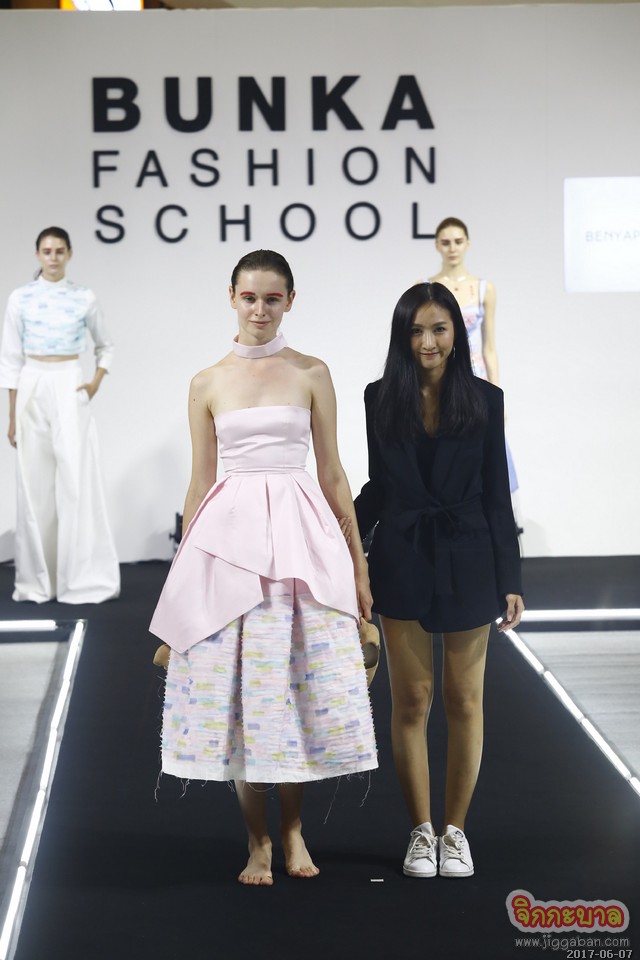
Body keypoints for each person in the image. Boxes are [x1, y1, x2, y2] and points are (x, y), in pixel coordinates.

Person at [149, 249, 377, 886]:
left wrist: (358, 565)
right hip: (228, 542)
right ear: (232, 297)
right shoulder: (206, 382)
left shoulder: (312, 372)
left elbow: (333, 473)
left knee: (293, 686)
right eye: (249, 297)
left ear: (290, 301)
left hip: (301, 539)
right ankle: (257, 839)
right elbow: (200, 482)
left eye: (272, 298)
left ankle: (294, 829)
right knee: (239, 692)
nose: (259, 309)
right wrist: (183, 571)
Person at [354, 281, 523, 879]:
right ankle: (421, 832)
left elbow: (496, 493)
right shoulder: (379, 397)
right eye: (417, 331)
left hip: (470, 556)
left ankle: (456, 833)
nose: (428, 341)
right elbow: (379, 487)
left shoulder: (485, 399)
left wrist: (510, 575)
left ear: (456, 333)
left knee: (464, 699)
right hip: (401, 555)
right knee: (411, 700)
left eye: (439, 329)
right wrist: (336, 541)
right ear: (402, 336)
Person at [0, 227, 119, 604]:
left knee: (76, 480)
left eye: (59, 251)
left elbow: (105, 345)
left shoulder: (84, 297)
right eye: (47, 251)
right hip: (32, 381)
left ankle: (81, 579)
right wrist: (12, 416)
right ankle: (38, 581)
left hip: (69, 380)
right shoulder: (20, 298)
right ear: (38, 254)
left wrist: (95, 382)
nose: (53, 257)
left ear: (69, 253)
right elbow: (10, 359)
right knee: (33, 484)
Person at [427, 216, 519, 500]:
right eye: (446, 242)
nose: (452, 248)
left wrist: (497, 393)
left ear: (468, 244)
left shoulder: (483, 288)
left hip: (474, 374)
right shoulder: (427, 287)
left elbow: (489, 345)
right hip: (439, 375)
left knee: (482, 445)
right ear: (437, 245)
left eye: (458, 241)